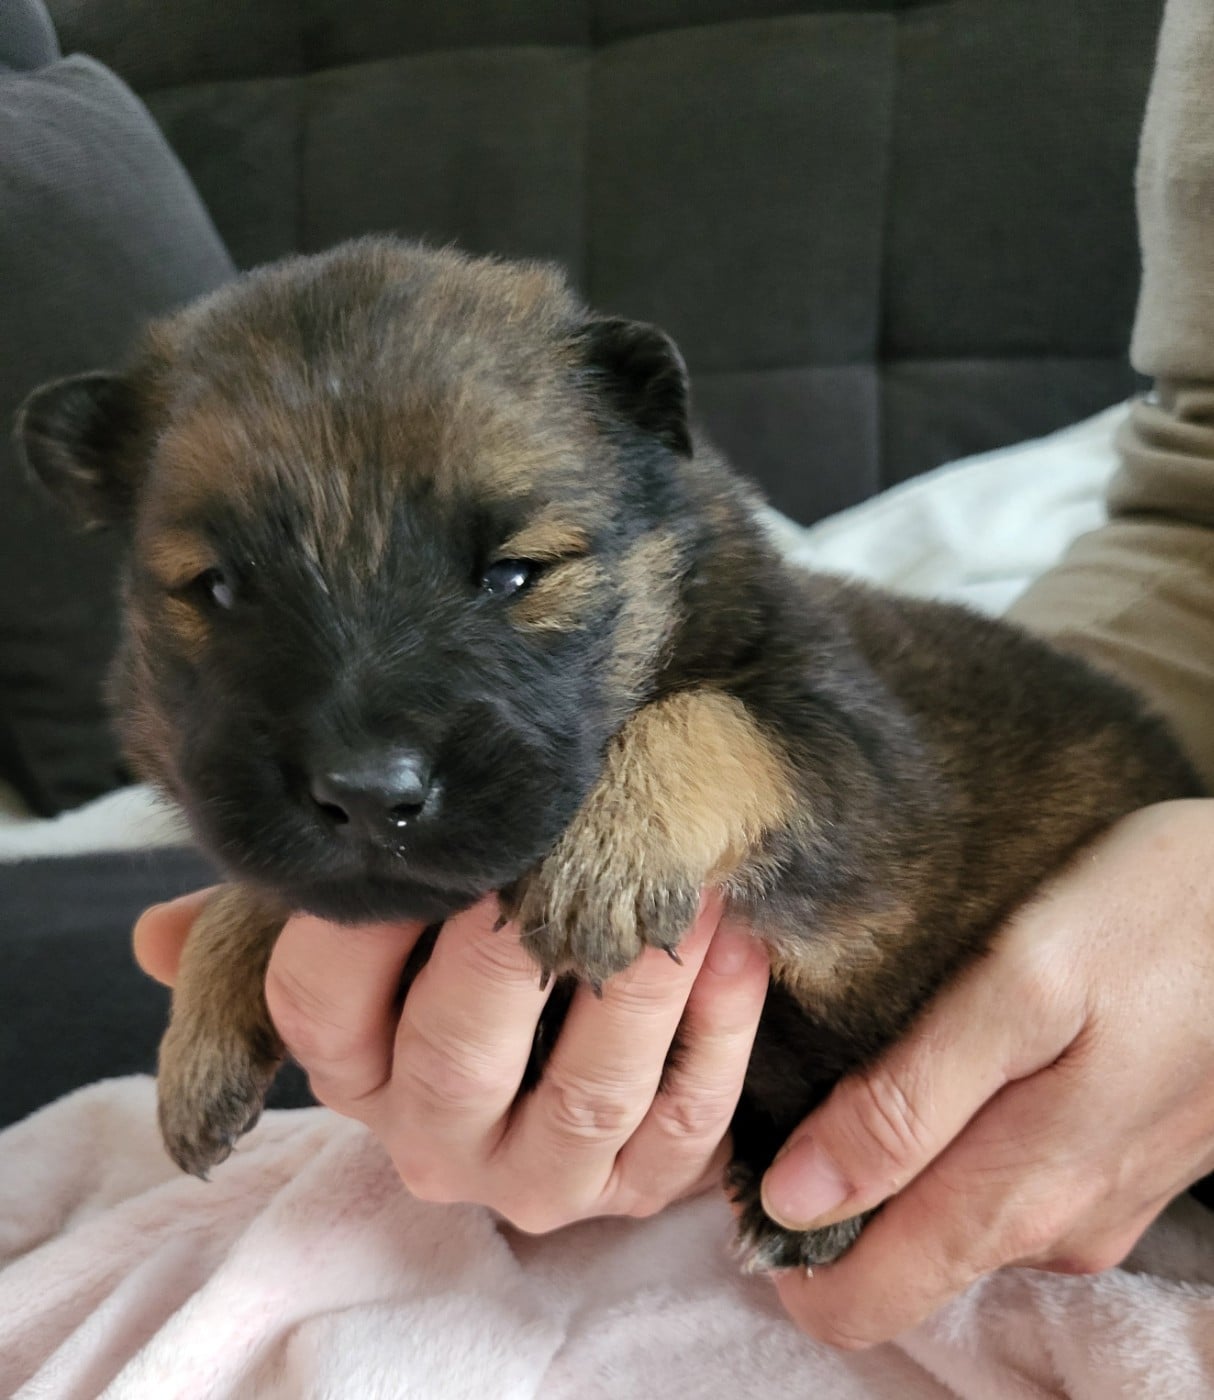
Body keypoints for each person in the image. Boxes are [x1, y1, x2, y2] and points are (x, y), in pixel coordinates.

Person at [132, 0, 1214, 1350]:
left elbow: (830, 768)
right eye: (220, 590)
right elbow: (1200, 494)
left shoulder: (738, 663)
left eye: (513, 577)